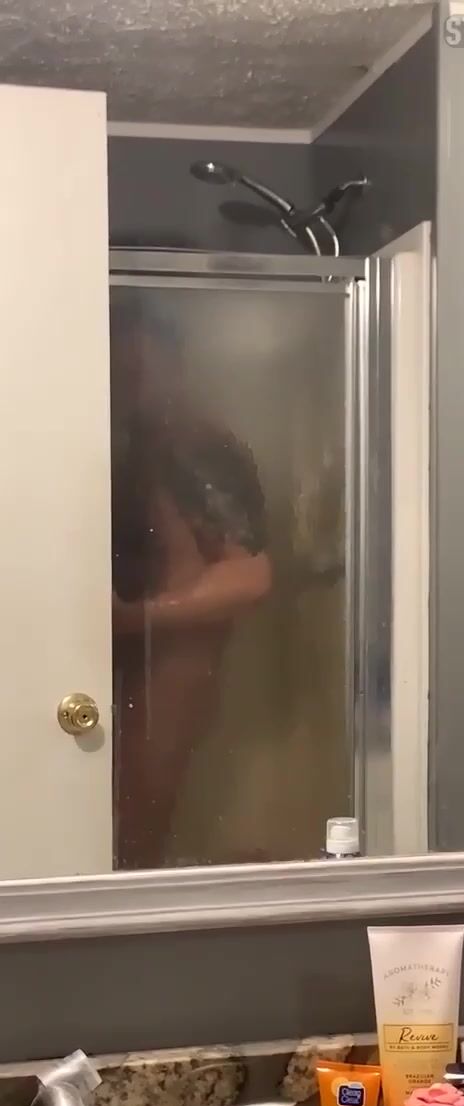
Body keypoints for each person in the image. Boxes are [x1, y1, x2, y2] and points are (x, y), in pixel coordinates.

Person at [111, 299, 271, 868]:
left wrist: (135, 618)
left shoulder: (196, 446)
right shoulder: (127, 441)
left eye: (135, 366)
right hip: (124, 660)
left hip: (169, 667)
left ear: (171, 360)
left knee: (133, 840)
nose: (124, 377)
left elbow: (250, 577)